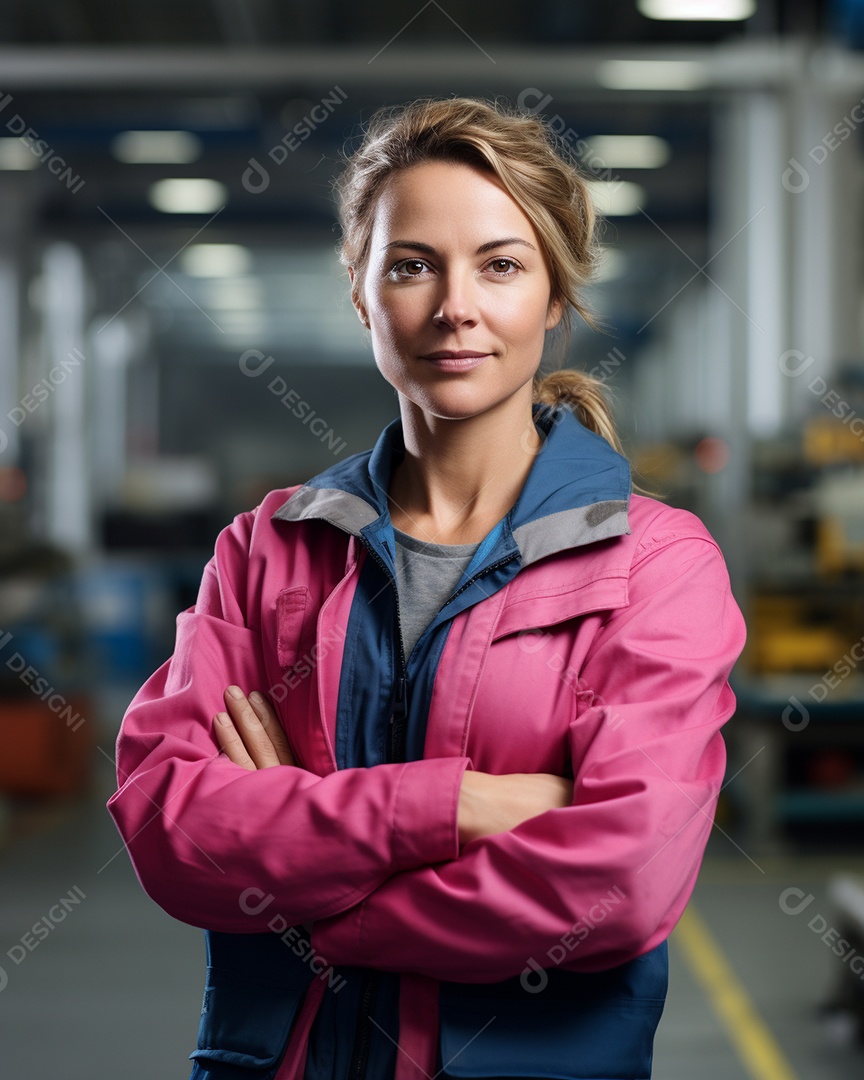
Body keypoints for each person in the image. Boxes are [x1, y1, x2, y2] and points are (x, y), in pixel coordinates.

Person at [107, 96, 746, 1080]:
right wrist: (458, 806)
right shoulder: (269, 550)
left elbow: (622, 881)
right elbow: (171, 826)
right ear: (361, 295)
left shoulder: (654, 566)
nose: (456, 308)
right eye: (411, 266)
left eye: (501, 265)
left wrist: (319, 893)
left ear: (555, 296)